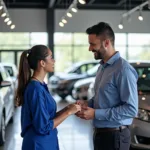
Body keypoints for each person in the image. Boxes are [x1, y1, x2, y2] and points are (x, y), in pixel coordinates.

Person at [76, 22, 138, 150]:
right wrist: (87, 104)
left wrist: (96, 114)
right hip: (100, 134)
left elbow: (131, 109)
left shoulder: (123, 70)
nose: (89, 49)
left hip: (116, 137)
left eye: (93, 44)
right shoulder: (102, 67)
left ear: (106, 43)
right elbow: (103, 98)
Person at [15, 45, 81, 150]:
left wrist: (68, 109)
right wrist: (68, 112)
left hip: (46, 142)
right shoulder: (35, 89)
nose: (54, 61)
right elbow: (43, 127)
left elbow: (46, 117)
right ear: (42, 63)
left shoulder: (41, 86)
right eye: (51, 57)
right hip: (39, 144)